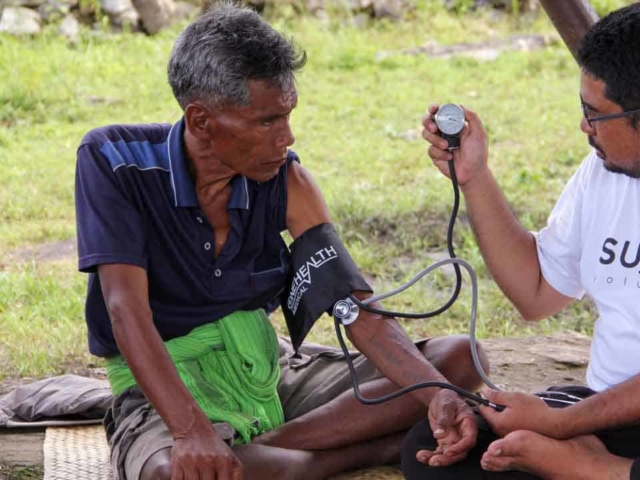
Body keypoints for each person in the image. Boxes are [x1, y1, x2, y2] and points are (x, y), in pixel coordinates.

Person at [74, 3, 489, 480]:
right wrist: (191, 430)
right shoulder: (114, 161)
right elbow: (126, 312)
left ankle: (269, 450)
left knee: (458, 360)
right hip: (162, 389)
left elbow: (360, 314)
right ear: (202, 120)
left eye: (288, 116)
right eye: (267, 121)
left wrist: (436, 395)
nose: (286, 138)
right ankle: (349, 453)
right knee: (172, 473)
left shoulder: (288, 181)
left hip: (262, 374)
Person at [402, 3, 640, 480]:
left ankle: (600, 471)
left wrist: (561, 427)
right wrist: (473, 178)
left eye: (595, 114)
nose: (584, 127)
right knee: (433, 448)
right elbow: (535, 292)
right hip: (608, 410)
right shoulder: (605, 173)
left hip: (590, 420)